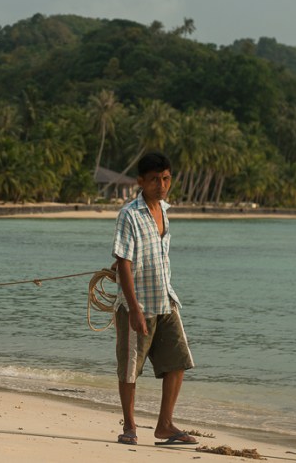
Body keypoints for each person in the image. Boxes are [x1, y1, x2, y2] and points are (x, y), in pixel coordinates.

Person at [111, 151, 196, 446]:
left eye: (166, 178)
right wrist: (134, 309)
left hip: (165, 299)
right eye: (154, 180)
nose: (161, 185)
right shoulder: (129, 215)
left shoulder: (164, 211)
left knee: (178, 361)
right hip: (138, 305)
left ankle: (164, 425)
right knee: (131, 368)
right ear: (140, 182)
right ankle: (130, 426)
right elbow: (123, 262)